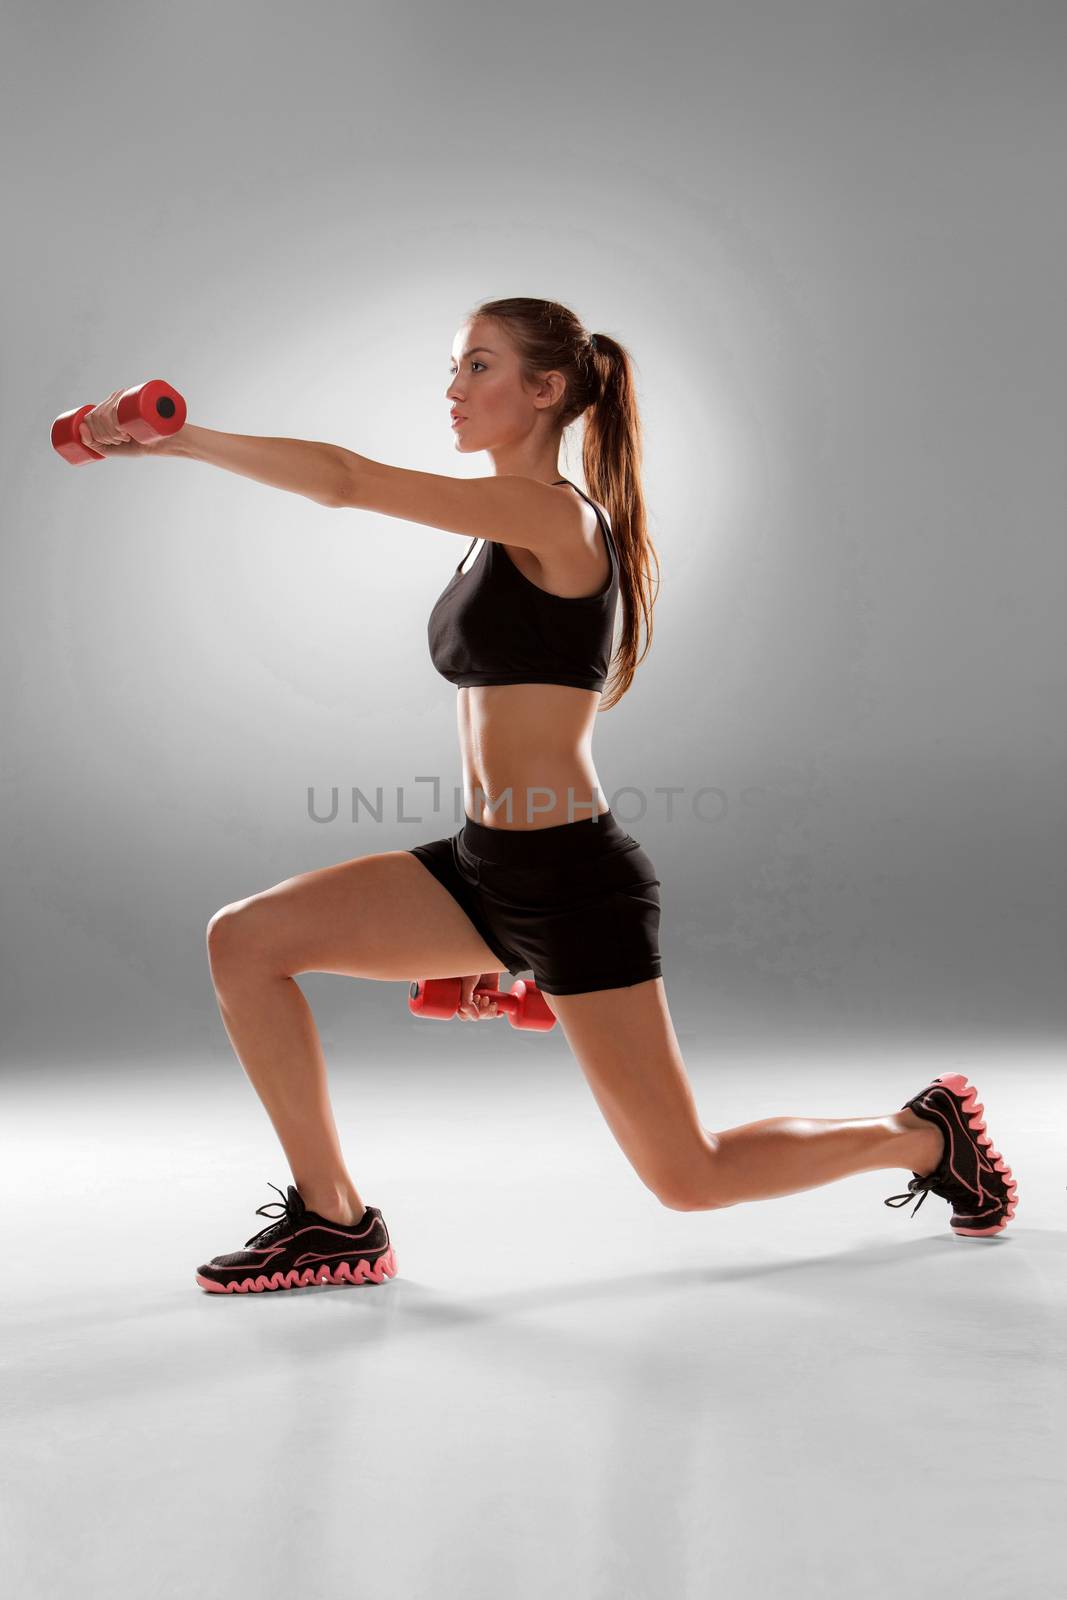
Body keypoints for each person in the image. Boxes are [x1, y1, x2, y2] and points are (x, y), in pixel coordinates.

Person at [79, 296, 1017, 1295]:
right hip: (484, 869)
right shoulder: (487, 535)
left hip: (573, 883)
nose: (453, 388)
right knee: (247, 939)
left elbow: (346, 481)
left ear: (545, 390)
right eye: (453, 366)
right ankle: (334, 1221)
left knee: (687, 1177)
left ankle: (923, 1137)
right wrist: (498, 938)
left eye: (478, 367)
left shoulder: (552, 517)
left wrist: (181, 441)